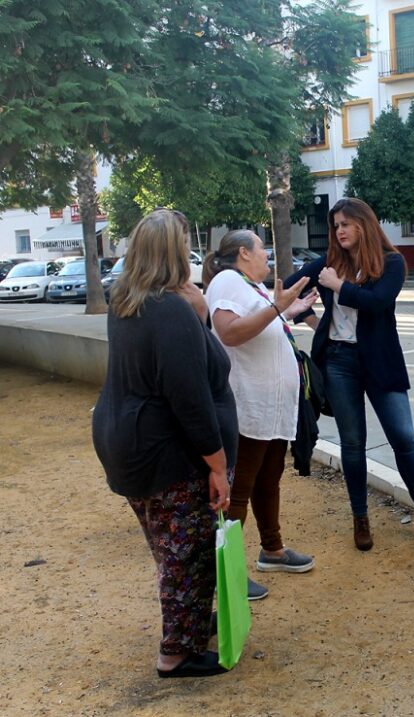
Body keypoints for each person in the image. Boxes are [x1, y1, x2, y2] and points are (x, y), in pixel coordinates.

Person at [92, 209, 236, 678]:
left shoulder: (124, 301)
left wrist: (196, 317)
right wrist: (216, 465)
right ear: (176, 254)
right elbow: (190, 398)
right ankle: (176, 652)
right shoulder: (170, 309)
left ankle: (189, 621)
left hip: (126, 441)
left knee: (169, 546)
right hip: (165, 449)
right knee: (185, 551)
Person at [287, 197, 414, 550]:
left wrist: (338, 287)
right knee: (353, 443)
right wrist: (316, 321)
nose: (339, 231)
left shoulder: (391, 262)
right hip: (339, 362)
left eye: (345, 224)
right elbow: (289, 287)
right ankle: (360, 519)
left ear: (363, 224)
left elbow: (378, 303)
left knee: (404, 438)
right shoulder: (330, 263)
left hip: (380, 360)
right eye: (335, 226)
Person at [205, 230, 318, 600]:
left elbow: (260, 326)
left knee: (269, 480)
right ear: (243, 253)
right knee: (239, 491)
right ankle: (229, 574)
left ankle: (273, 549)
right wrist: (276, 307)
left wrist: (289, 310)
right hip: (249, 406)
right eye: (263, 251)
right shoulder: (226, 281)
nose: (268, 258)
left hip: (271, 409)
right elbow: (229, 333)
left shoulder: (247, 286)